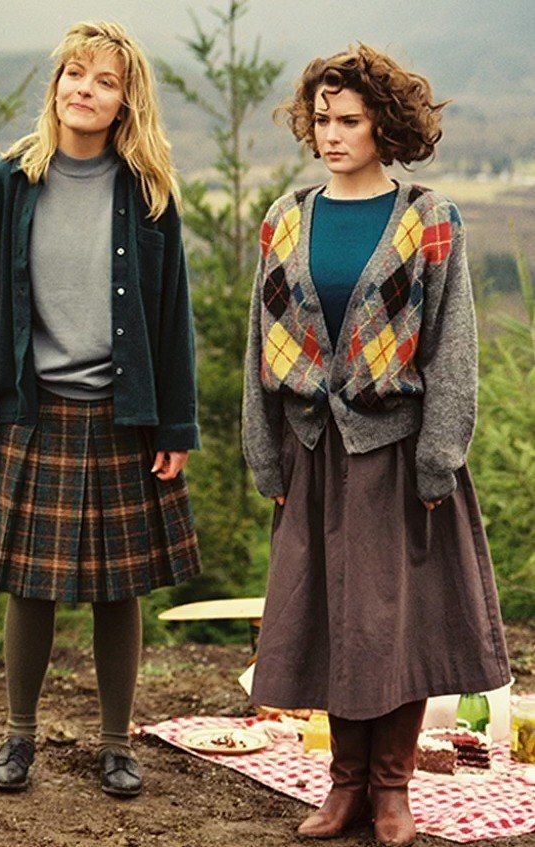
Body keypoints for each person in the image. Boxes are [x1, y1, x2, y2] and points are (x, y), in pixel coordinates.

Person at [242, 42, 510, 847]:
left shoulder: (428, 220)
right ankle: (343, 786)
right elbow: (256, 343)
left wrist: (438, 456)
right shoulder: (285, 217)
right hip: (312, 450)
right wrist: (265, 451)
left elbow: (452, 346)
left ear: (383, 126)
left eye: (348, 120)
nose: (331, 134)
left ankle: (391, 789)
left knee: (389, 626)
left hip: (395, 450)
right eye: (321, 119)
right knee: (325, 619)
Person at [0, 20, 201, 798]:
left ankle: (115, 743)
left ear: (126, 99)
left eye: (103, 80)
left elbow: (174, 319)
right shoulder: (8, 182)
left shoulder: (149, 193)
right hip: (36, 411)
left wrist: (175, 424)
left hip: (122, 413)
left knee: (117, 587)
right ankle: (18, 736)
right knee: (28, 583)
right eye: (73, 73)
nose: (83, 90)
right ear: (56, 84)